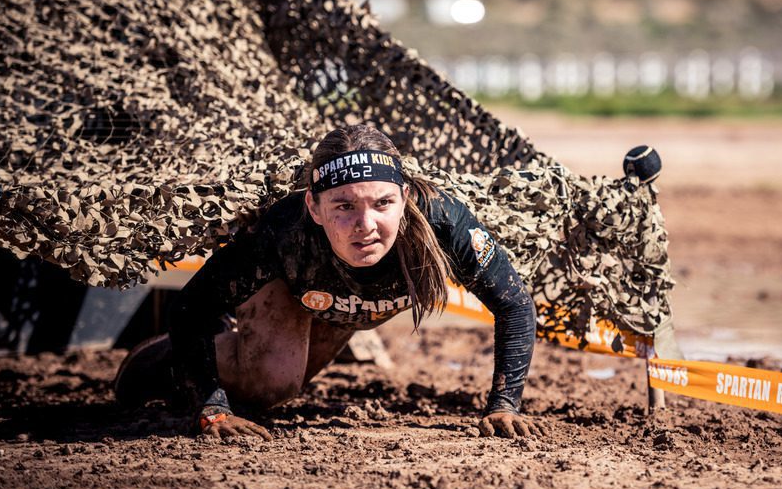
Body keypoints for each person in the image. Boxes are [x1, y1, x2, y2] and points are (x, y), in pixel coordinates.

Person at [114, 125, 541, 439]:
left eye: (383, 203)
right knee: (270, 384)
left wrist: (504, 405)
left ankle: (225, 354)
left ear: (405, 199)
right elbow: (192, 307)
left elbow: (515, 303)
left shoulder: (444, 221)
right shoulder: (283, 232)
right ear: (314, 209)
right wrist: (211, 407)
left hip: (343, 307)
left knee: (285, 389)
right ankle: (165, 360)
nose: (365, 225)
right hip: (291, 288)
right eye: (343, 206)